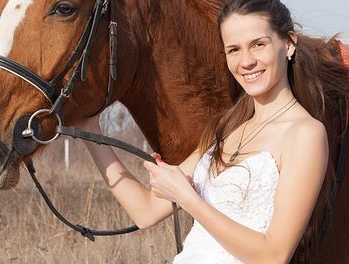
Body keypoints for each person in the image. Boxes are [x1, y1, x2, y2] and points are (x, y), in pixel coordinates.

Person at [75, 0, 349, 263]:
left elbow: (274, 255)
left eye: (258, 44)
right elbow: (145, 211)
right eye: (234, 50)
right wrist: (90, 130)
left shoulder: (305, 134)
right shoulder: (226, 128)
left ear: (288, 44)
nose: (246, 61)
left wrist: (187, 198)